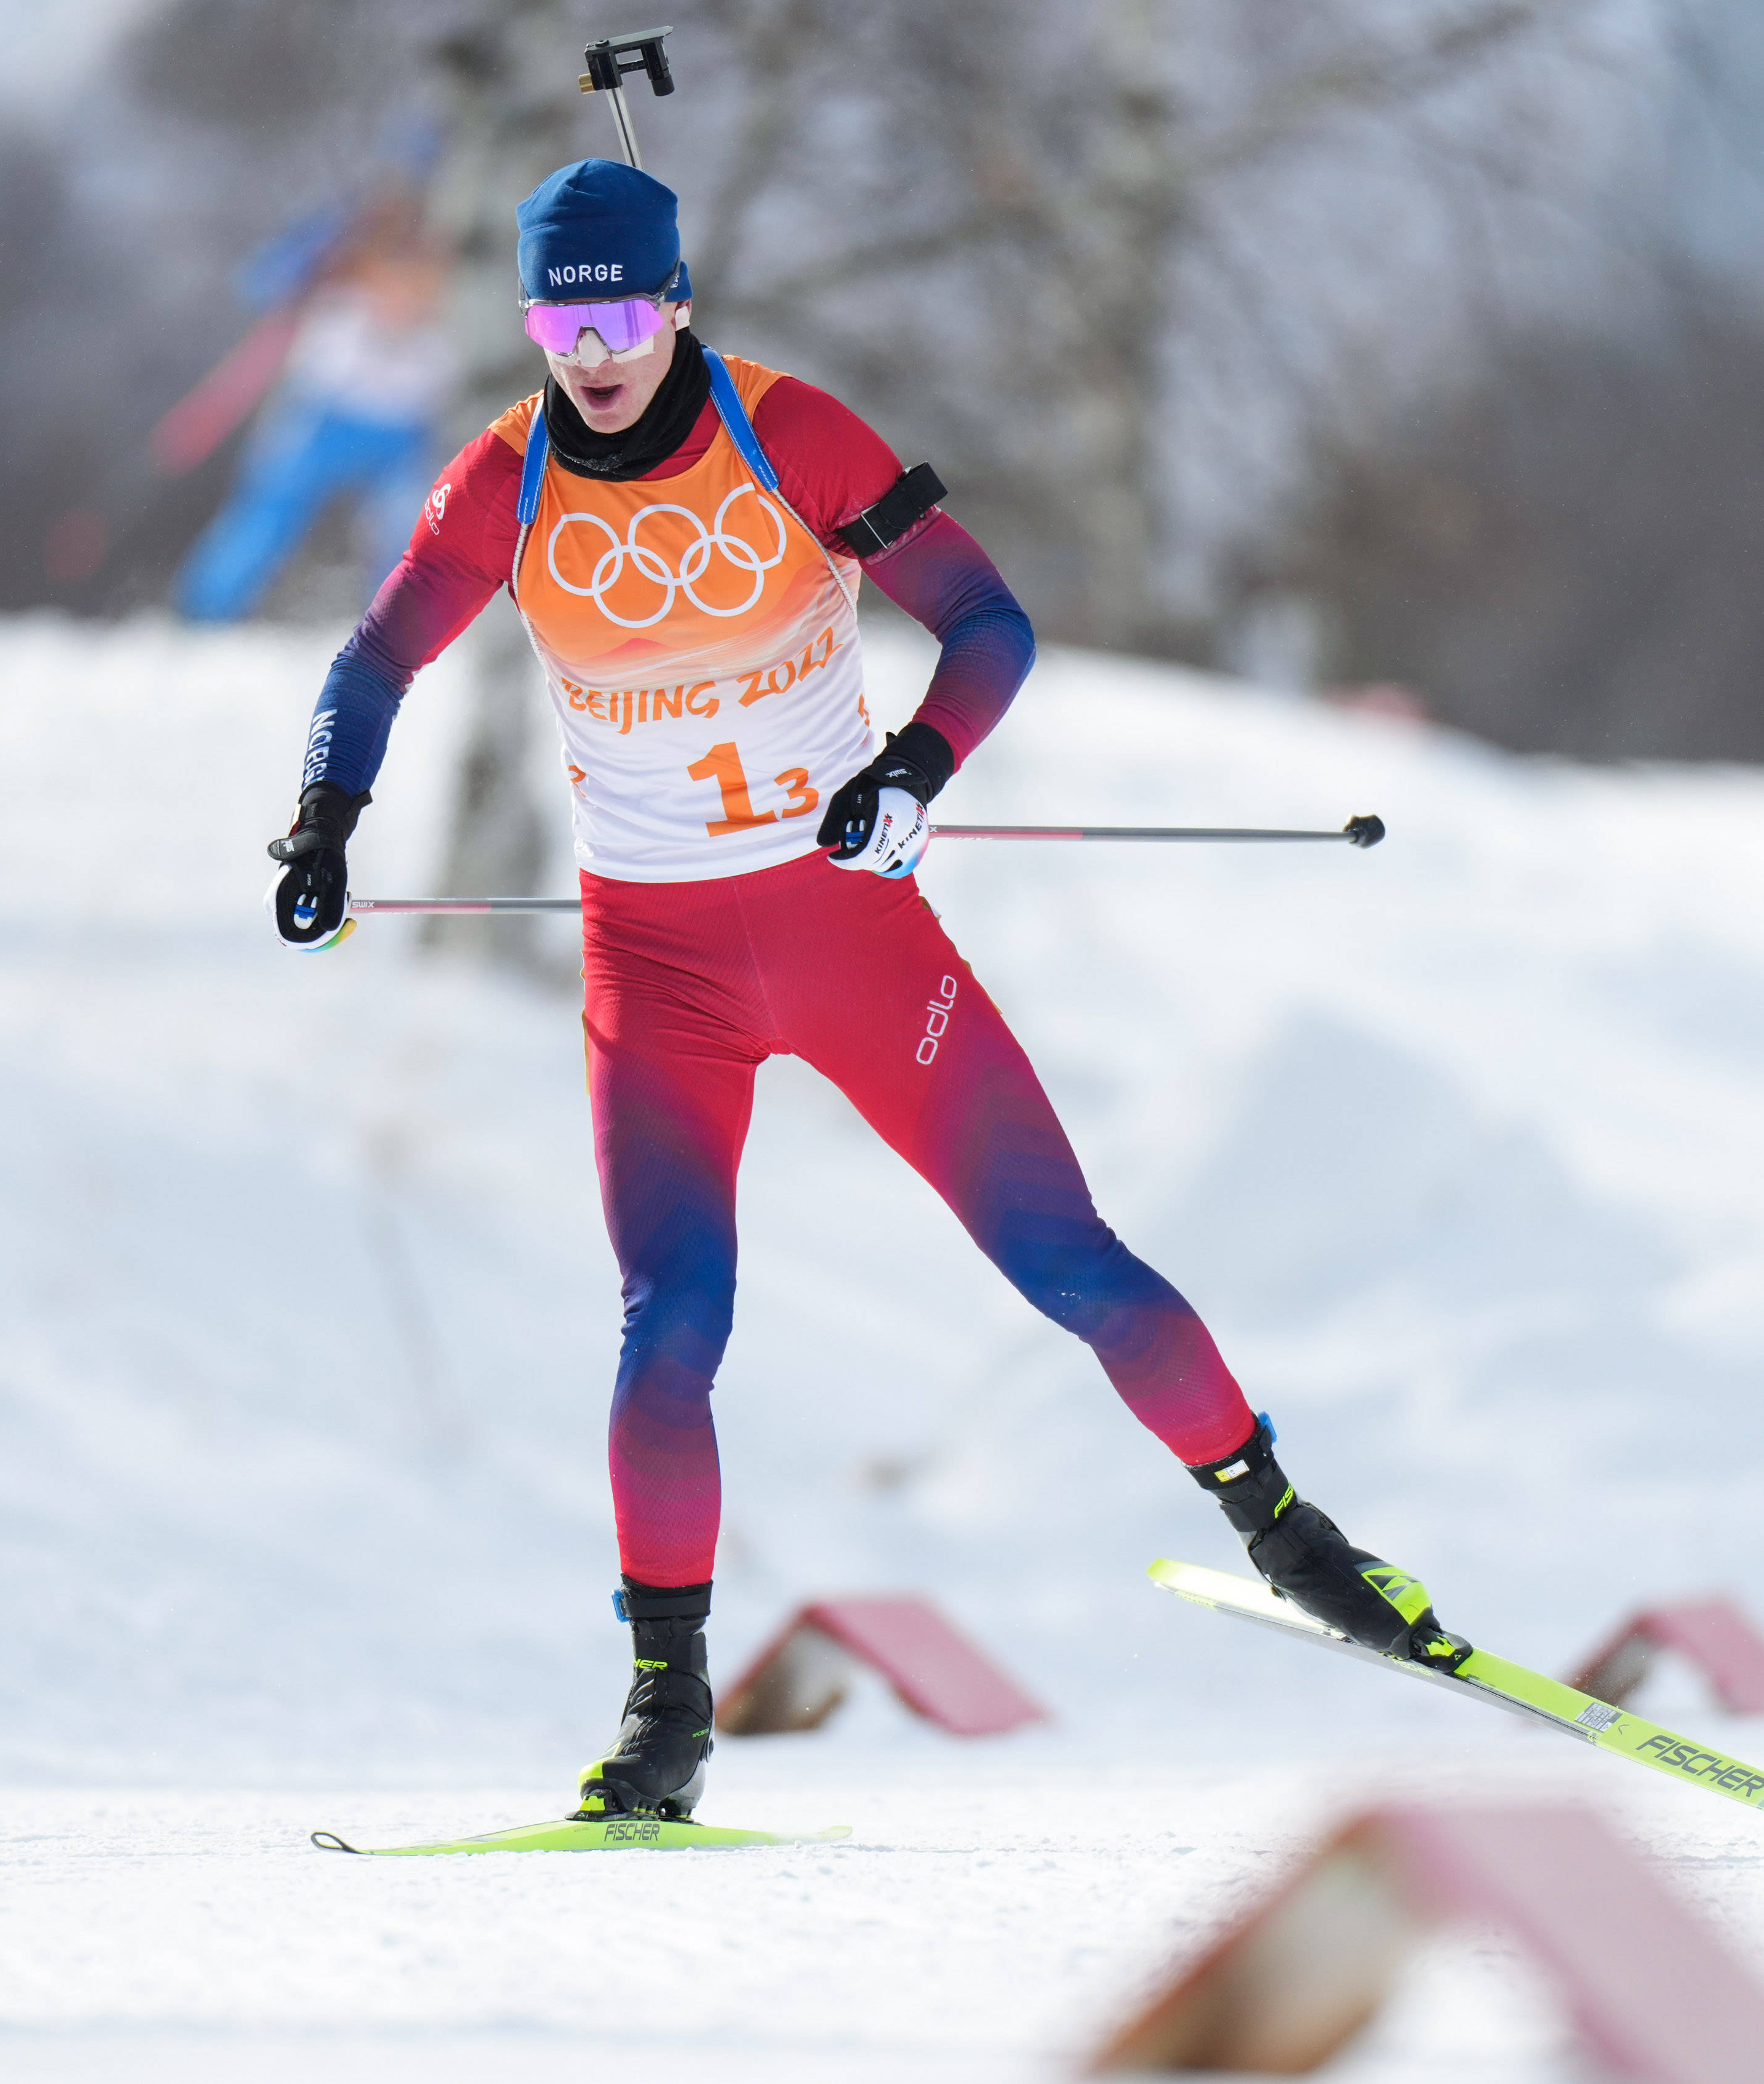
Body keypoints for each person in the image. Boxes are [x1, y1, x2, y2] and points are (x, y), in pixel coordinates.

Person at [262, 159, 1461, 1821]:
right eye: (558, 315)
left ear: (674, 301)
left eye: (620, 309)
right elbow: (374, 659)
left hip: (849, 932)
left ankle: (1299, 1537)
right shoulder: (505, 479)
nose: (592, 348)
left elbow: (989, 621)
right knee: (669, 1324)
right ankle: (665, 1707)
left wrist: (911, 768)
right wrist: (324, 823)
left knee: (1069, 1261)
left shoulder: (785, 432)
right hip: (657, 964)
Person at [173, 190, 462, 623]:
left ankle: (398, 623)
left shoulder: (451, 303)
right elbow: (260, 283)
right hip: (323, 418)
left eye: (418, 280)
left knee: (412, 525)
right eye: (394, 277)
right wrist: (316, 249)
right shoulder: (336, 296)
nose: (405, 294)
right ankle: (205, 612)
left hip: (402, 430)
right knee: (269, 514)